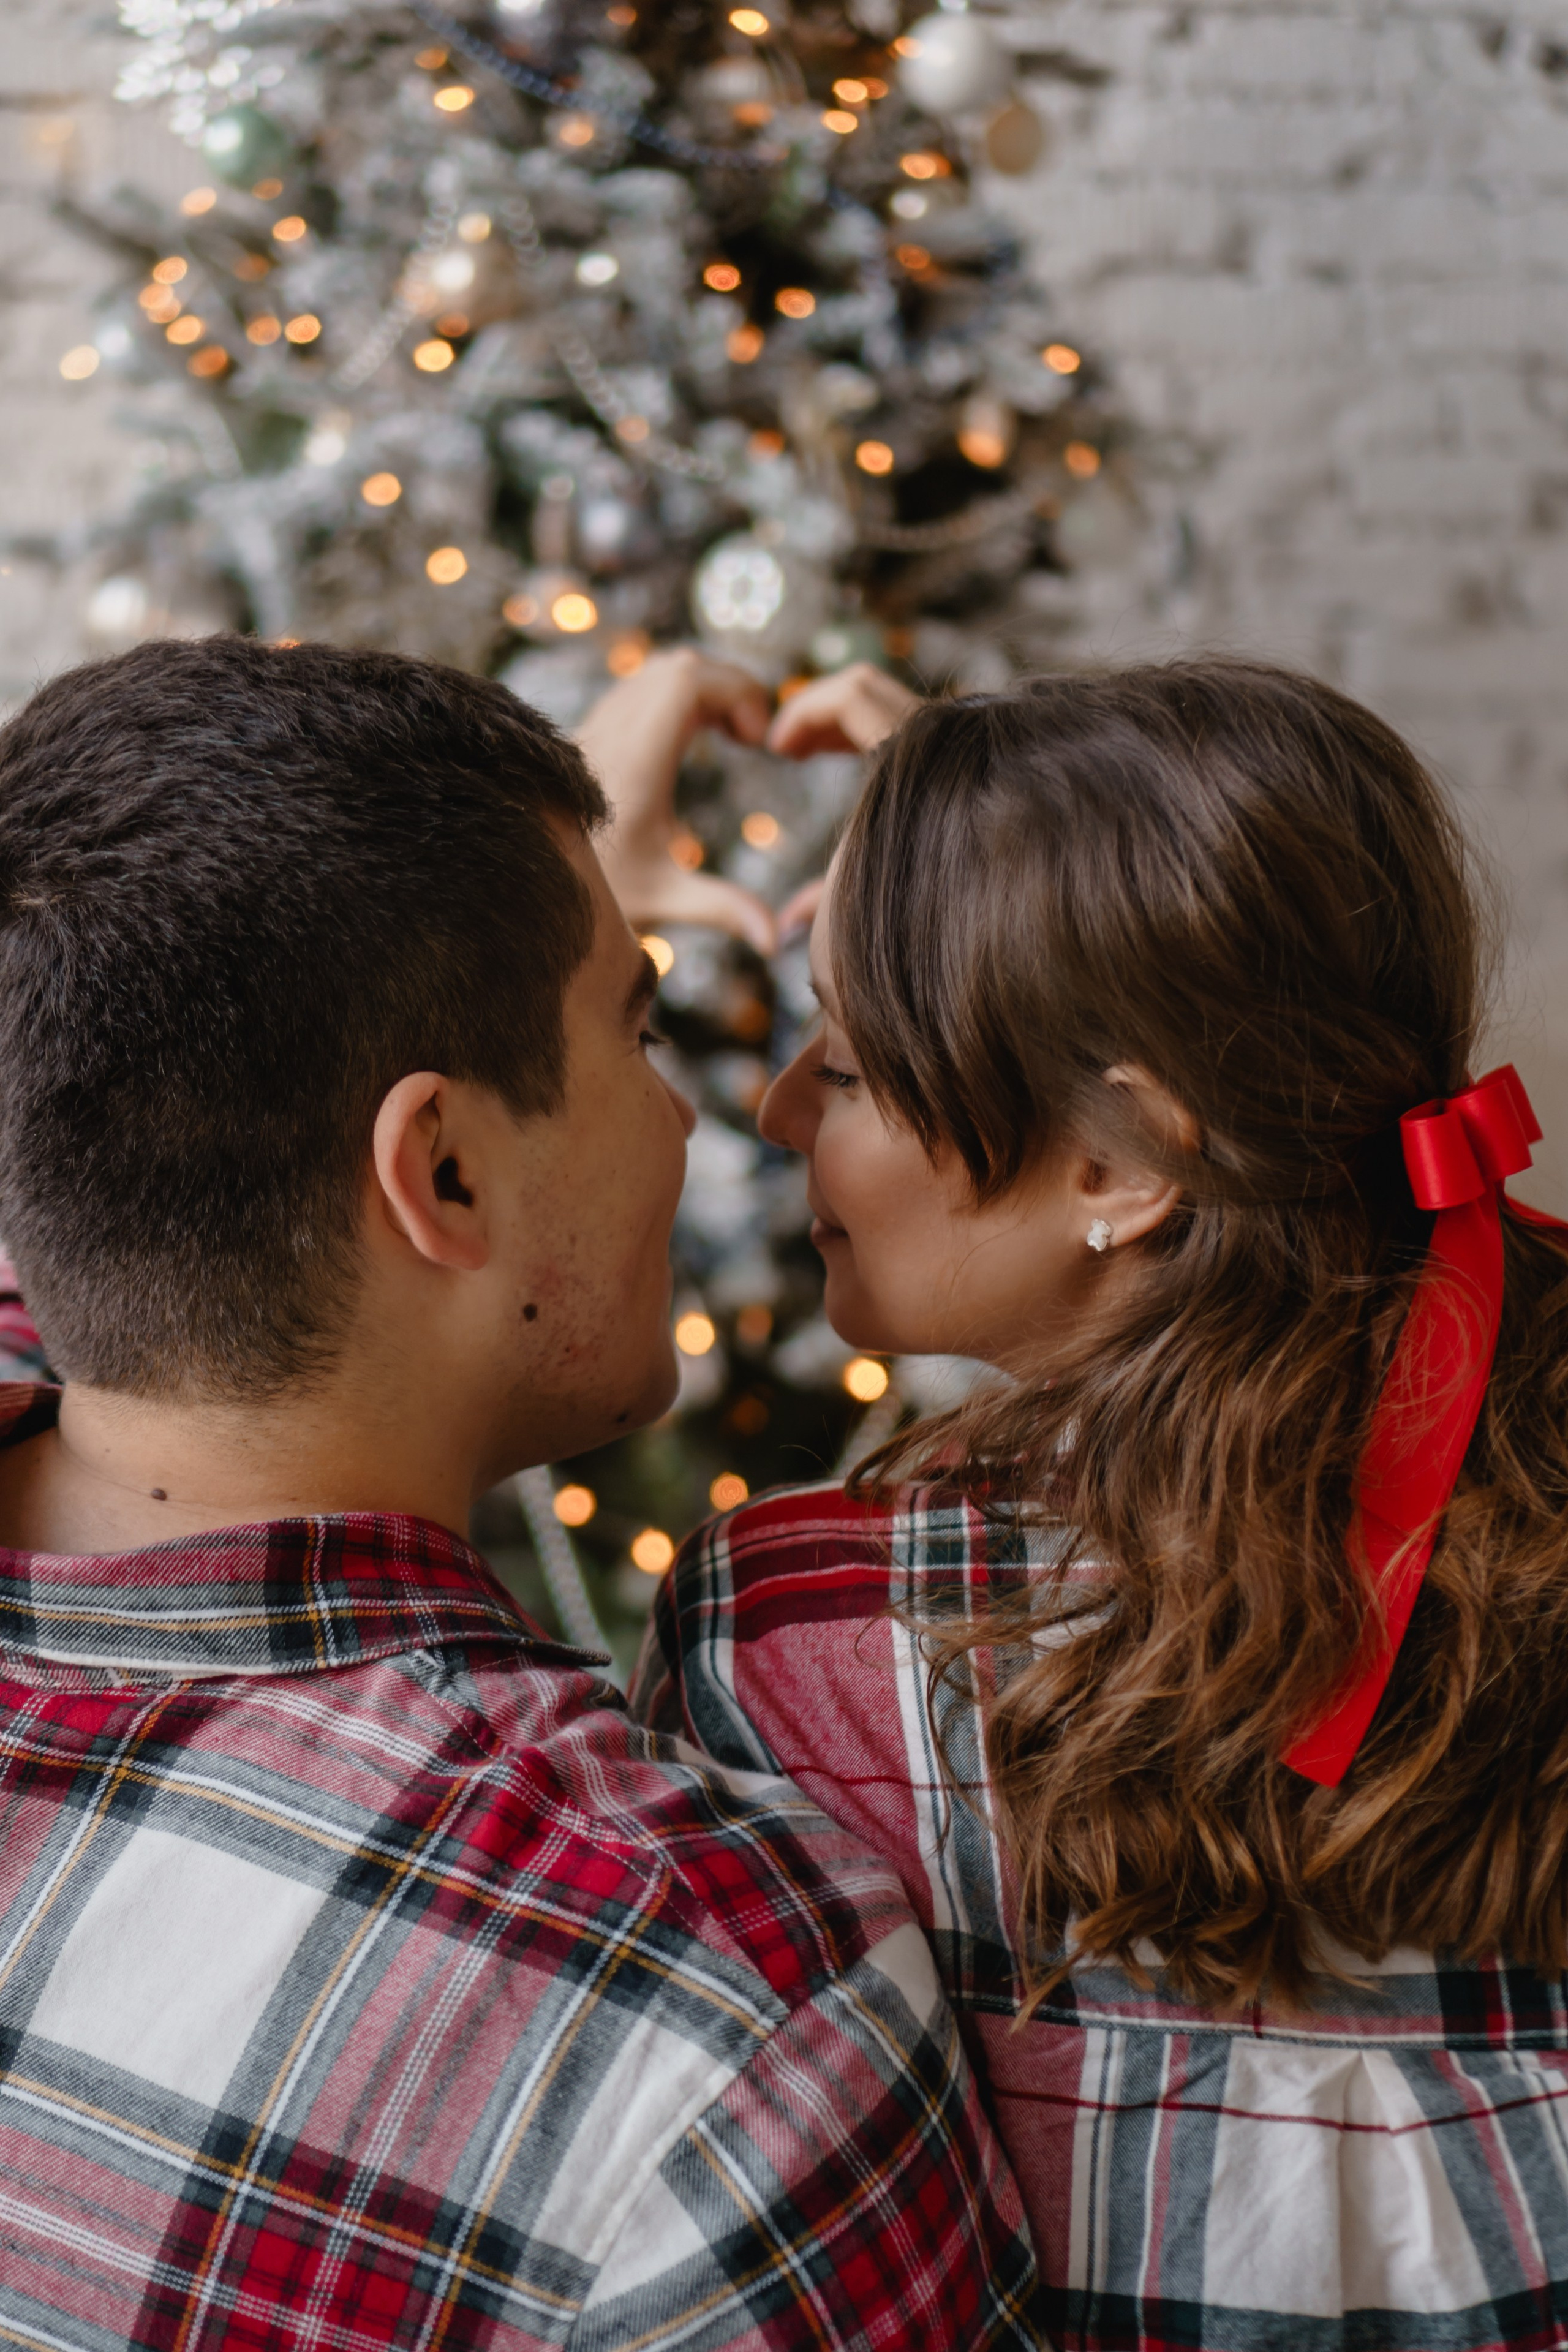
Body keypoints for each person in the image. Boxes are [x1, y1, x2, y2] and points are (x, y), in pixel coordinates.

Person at [0, 635, 1046, 2352]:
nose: (709, 1118)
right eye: (637, 1026)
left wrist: (540, 916)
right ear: (446, 1168)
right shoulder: (709, 2016)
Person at [625, 658, 1568, 2351]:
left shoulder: (806, 1642)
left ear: (1123, 1166)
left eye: (843, 1065)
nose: (774, 1115)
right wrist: (1014, 864)